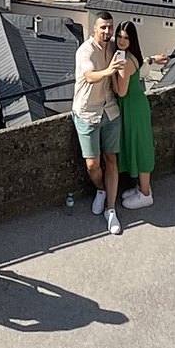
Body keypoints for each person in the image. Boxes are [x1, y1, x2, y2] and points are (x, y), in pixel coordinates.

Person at [72, 12, 125, 234]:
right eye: (103, 27)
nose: (107, 32)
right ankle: (101, 190)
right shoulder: (85, 50)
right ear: (94, 29)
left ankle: (111, 210)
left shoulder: (114, 47)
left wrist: (152, 60)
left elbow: (133, 58)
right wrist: (110, 70)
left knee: (111, 159)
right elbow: (90, 76)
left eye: (109, 27)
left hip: (109, 110)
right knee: (92, 165)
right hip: (87, 112)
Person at [112, 21, 162, 211]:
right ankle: (141, 187)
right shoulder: (131, 56)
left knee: (139, 146)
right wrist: (153, 58)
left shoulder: (123, 62)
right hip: (135, 105)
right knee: (137, 143)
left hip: (131, 105)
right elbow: (141, 62)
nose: (122, 41)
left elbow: (121, 92)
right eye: (120, 37)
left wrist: (110, 75)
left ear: (131, 40)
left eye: (126, 38)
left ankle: (146, 193)